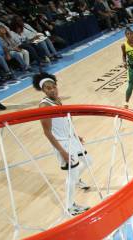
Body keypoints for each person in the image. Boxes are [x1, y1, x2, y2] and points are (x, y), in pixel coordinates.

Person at [33, 72, 91, 216]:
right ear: (43, 90)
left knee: (89, 161)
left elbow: (66, 120)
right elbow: (47, 132)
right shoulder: (44, 106)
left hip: (71, 139)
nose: (52, 90)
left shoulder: (57, 100)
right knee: (72, 174)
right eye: (48, 88)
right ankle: (70, 207)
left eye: (53, 87)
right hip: (62, 144)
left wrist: (76, 135)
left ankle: (77, 181)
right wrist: (62, 152)